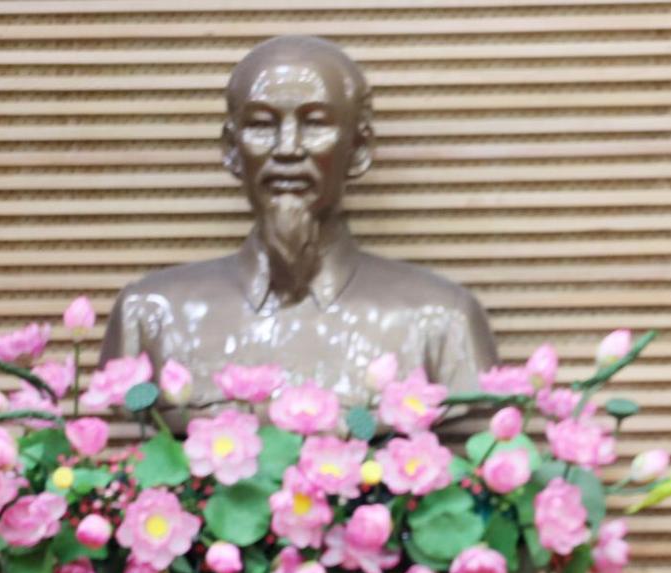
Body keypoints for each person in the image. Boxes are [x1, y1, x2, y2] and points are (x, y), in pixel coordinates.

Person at [99, 35, 497, 399]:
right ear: (232, 150)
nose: (287, 149)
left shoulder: (441, 319)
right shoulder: (150, 315)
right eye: (261, 124)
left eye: (315, 124)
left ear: (358, 149)